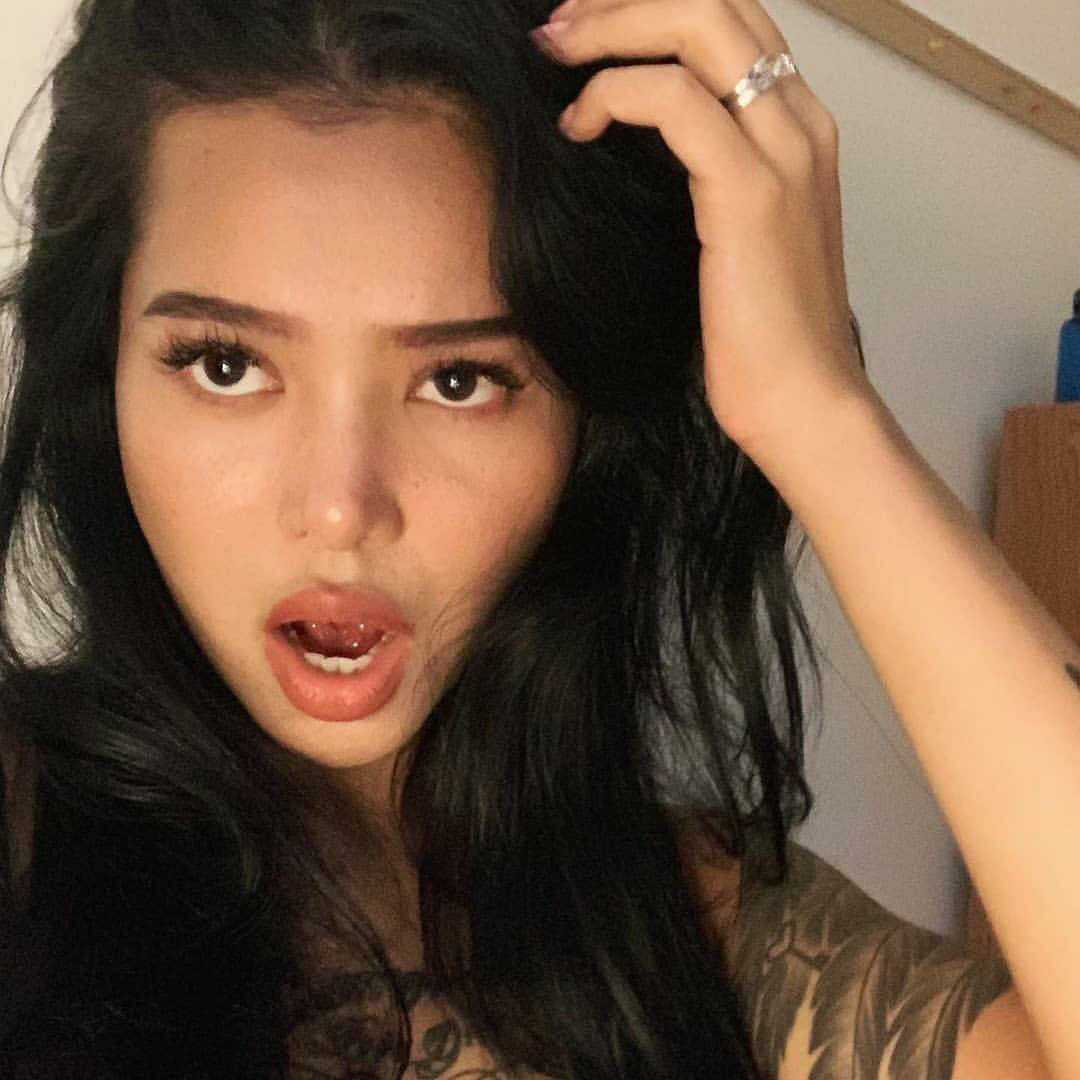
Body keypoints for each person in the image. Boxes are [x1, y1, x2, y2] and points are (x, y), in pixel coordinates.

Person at [0, 0, 1077, 1076]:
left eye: (459, 381)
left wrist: (819, 410)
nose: (338, 509)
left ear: (585, 430)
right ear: (102, 374)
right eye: (226, 365)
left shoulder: (704, 945)